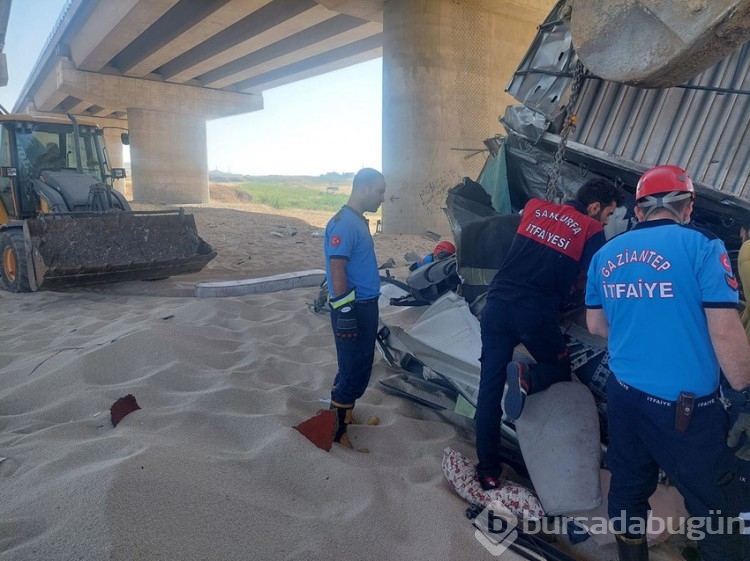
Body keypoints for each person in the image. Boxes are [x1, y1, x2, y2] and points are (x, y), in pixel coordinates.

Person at [585, 165, 750, 561]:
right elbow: (725, 331)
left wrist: (640, 332)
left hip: (624, 394)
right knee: (718, 500)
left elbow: (595, 324)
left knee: (628, 484)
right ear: (688, 207)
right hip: (686, 407)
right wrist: (744, 397)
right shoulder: (703, 246)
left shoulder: (605, 253)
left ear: (639, 211)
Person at [475, 177, 625, 489]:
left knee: (488, 389)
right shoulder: (590, 228)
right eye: (609, 214)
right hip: (535, 315)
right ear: (595, 207)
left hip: (497, 304)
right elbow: (595, 278)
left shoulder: (534, 207)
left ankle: (488, 471)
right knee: (558, 367)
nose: (607, 221)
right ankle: (527, 377)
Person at [324, 168, 386, 447]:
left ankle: (342, 416)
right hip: (354, 307)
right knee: (354, 368)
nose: (382, 197)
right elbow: (337, 267)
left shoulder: (355, 221)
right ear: (363, 189)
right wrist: (346, 312)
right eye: (379, 191)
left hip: (363, 305)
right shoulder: (346, 224)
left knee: (357, 364)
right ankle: (337, 434)